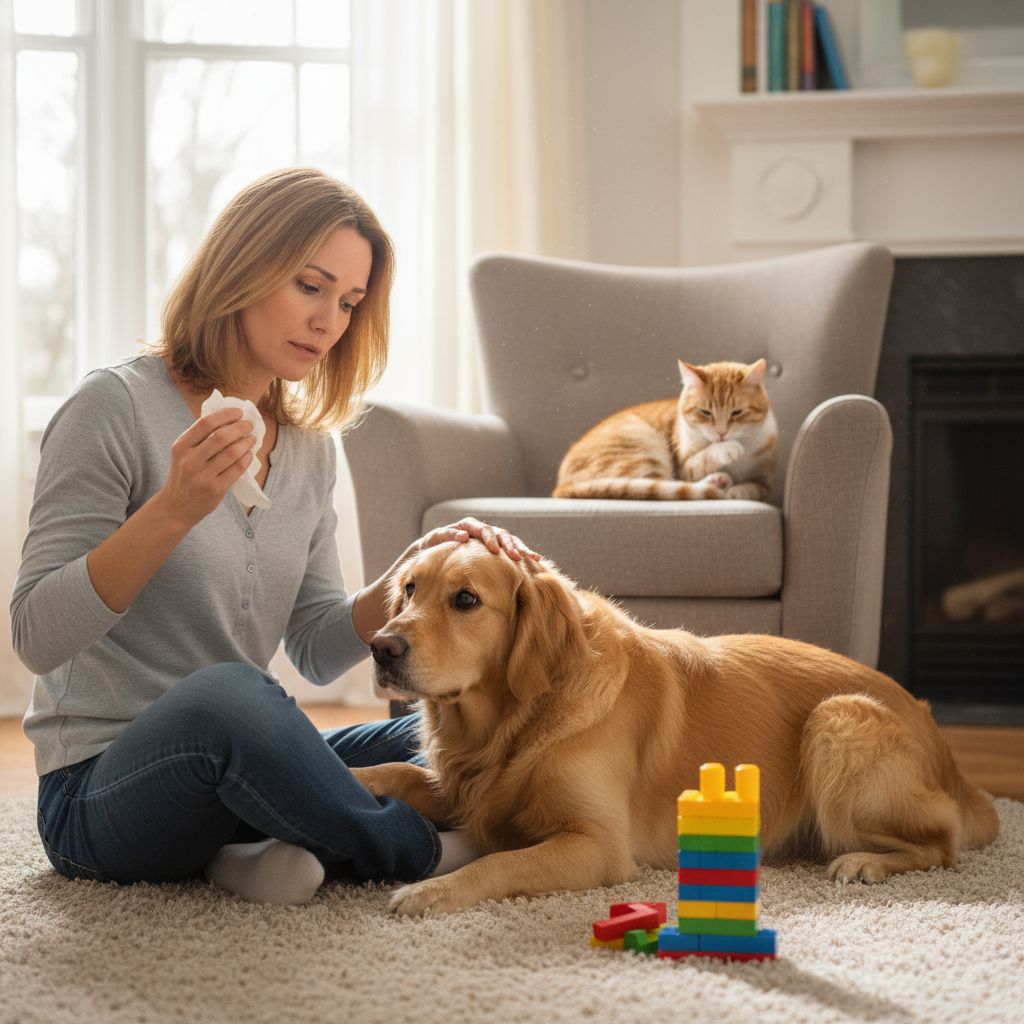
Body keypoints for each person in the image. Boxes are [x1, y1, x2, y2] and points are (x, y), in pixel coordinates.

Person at [10, 166, 539, 906]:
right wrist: (175, 508)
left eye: (349, 302)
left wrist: (411, 578)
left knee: (453, 724)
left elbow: (316, 648)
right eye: (311, 287)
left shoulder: (310, 448)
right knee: (234, 697)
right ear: (243, 267)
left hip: (232, 765)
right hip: (96, 793)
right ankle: (426, 852)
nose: (330, 321)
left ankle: (253, 852)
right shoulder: (113, 408)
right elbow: (36, 636)